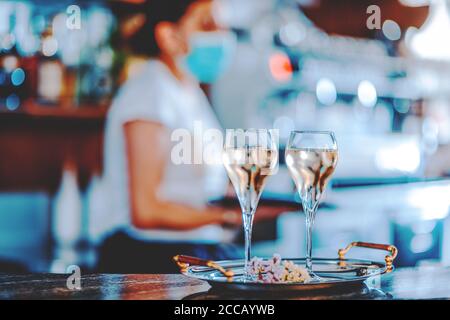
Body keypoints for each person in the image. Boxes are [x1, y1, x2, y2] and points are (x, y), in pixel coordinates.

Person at [98, 0, 242, 273]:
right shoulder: (149, 94)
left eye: (224, 26)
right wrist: (227, 216)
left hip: (195, 251)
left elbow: (198, 188)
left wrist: (253, 198)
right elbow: (146, 211)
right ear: (169, 36)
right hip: (151, 258)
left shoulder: (189, 91)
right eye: (208, 25)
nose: (223, 37)